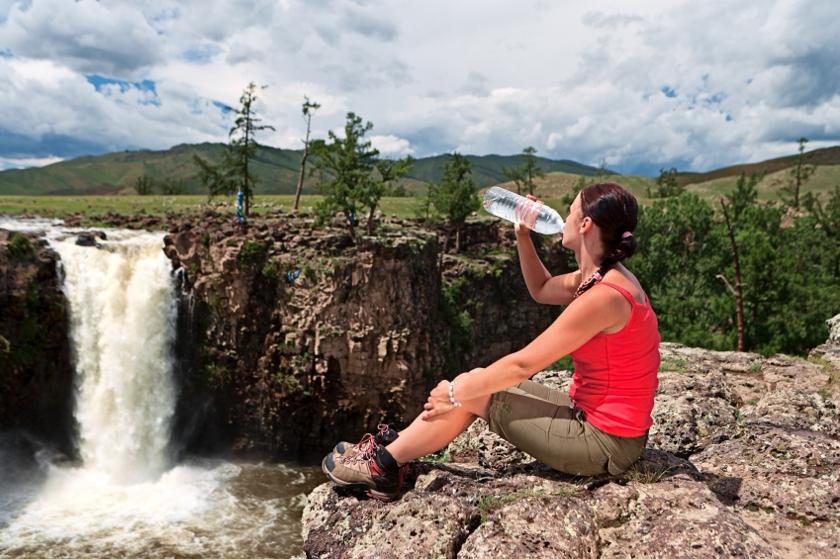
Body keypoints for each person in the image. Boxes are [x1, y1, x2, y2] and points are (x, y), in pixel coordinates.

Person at [321, 182, 661, 501]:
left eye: (570, 210)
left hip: (604, 442)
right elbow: (542, 289)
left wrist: (454, 392)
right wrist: (523, 233)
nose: (564, 217)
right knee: (476, 379)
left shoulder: (604, 296)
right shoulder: (599, 277)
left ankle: (382, 465)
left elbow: (523, 365)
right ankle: (395, 449)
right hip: (594, 418)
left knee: (472, 390)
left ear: (585, 224)